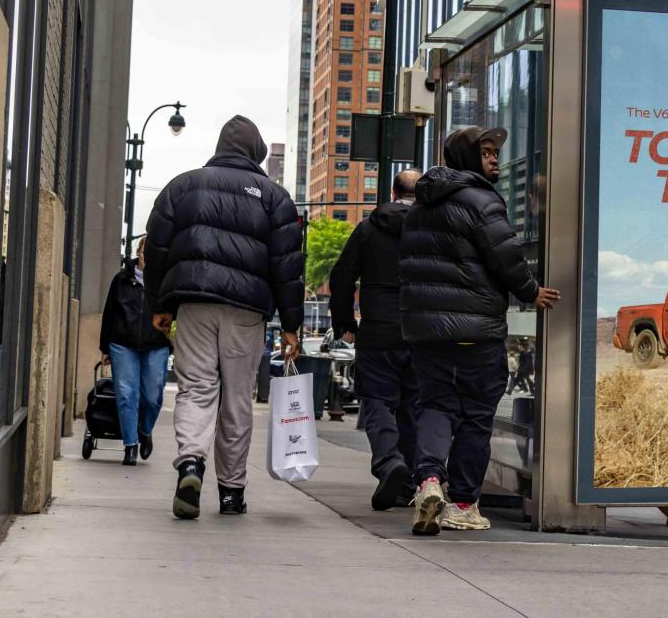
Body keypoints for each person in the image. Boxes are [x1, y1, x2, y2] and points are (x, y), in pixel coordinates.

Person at [400, 126, 560, 535]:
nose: (494, 159)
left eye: (495, 152)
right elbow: (504, 256)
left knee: (435, 407)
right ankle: (463, 504)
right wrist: (530, 291)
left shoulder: (419, 208)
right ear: (467, 158)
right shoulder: (483, 200)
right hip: (476, 332)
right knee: (475, 417)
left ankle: (429, 481)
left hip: (427, 334)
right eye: (486, 152)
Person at [145, 115, 303, 520]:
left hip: (194, 302)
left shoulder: (182, 186)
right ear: (256, 153)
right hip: (246, 311)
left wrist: (158, 306)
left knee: (196, 389)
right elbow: (288, 265)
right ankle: (232, 492)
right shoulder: (275, 197)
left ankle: (191, 463)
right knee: (236, 398)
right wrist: (291, 324)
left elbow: (157, 248)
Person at [329, 168, 424, 510]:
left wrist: (344, 322)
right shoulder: (431, 229)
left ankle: (388, 462)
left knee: (377, 400)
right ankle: (408, 481)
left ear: (394, 192)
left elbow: (341, 276)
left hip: (378, 328)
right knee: (413, 407)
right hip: (420, 331)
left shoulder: (369, 228)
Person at [98, 237, 170, 465]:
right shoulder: (121, 280)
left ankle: (144, 430)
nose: (148, 259)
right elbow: (109, 313)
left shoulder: (166, 284)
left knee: (152, 395)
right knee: (126, 394)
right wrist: (105, 347)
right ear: (138, 254)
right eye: (145, 253)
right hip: (123, 343)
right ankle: (130, 445)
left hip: (156, 344)